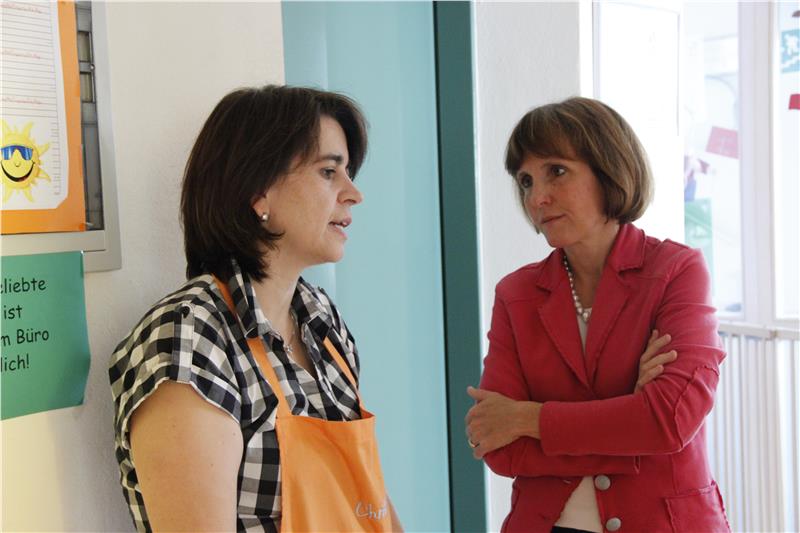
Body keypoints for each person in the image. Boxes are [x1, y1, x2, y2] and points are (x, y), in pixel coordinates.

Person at [109, 85, 402, 532]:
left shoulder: (319, 319)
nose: (353, 193)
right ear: (259, 192)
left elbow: (368, 498)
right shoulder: (189, 341)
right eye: (329, 172)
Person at [465, 97, 730, 533]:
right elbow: (498, 446)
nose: (537, 198)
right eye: (526, 181)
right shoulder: (515, 294)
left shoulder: (677, 271)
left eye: (557, 171)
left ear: (609, 169)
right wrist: (631, 424)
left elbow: (670, 420)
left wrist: (529, 418)